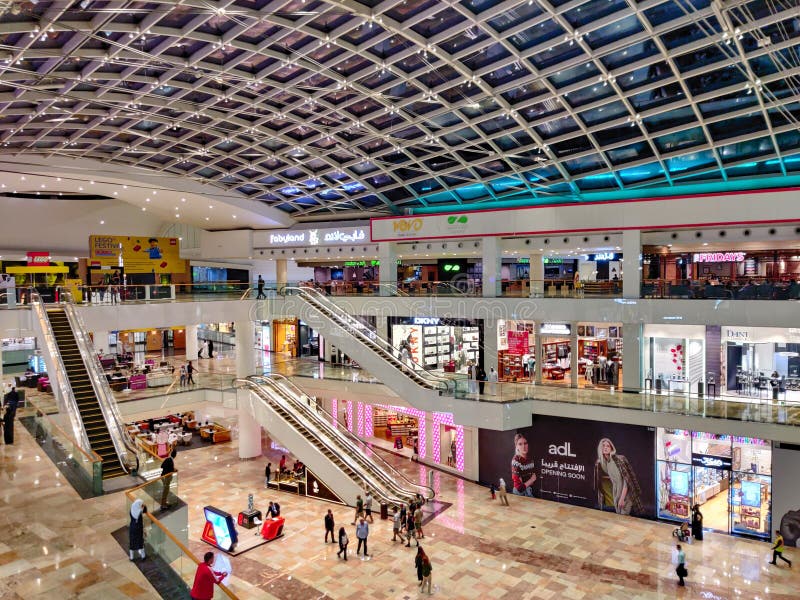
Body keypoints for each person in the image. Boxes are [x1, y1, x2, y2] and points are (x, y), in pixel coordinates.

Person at [593, 437, 644, 516]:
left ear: (611, 448)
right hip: (616, 492)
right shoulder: (605, 463)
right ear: (600, 448)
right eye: (603, 446)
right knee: (619, 515)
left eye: (608, 446)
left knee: (624, 516)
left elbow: (626, 481)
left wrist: (622, 498)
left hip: (625, 493)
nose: (605, 447)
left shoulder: (619, 459)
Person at [510, 432, 536, 496]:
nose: (523, 446)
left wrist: (528, 482)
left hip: (529, 490)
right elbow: (519, 488)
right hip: (519, 494)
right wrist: (531, 480)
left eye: (525, 443)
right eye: (520, 444)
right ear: (516, 446)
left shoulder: (531, 457)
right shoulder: (516, 461)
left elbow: (533, 479)